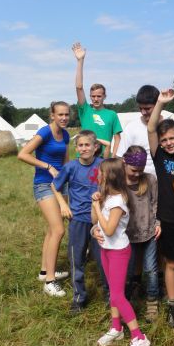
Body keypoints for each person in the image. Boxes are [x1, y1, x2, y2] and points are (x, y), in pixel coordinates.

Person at [92, 158, 150, 346]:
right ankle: (116, 328)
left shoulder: (118, 201)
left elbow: (108, 229)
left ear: (109, 175)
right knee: (113, 291)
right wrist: (96, 208)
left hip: (117, 252)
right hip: (106, 249)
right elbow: (97, 223)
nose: (97, 174)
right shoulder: (107, 197)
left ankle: (139, 337)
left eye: (100, 172)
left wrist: (98, 208)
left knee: (117, 295)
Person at [17, 101, 71, 297]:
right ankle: (50, 281)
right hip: (43, 185)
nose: (64, 118)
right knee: (58, 230)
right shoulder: (44, 132)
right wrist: (47, 166)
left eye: (66, 114)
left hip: (59, 184)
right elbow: (22, 154)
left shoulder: (65, 135)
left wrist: (68, 178)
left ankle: (44, 271)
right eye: (60, 115)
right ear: (52, 115)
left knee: (51, 229)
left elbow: (65, 161)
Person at [147, 88, 174, 328]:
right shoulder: (160, 157)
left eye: (172, 138)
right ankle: (173, 305)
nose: (168, 143)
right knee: (172, 263)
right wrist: (160, 104)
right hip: (169, 218)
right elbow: (152, 128)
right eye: (164, 140)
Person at [51, 129, 104, 313]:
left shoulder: (102, 165)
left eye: (87, 145)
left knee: (102, 258)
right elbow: (54, 185)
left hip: (99, 221)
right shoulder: (70, 167)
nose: (83, 148)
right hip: (78, 219)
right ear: (76, 148)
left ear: (95, 147)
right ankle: (79, 297)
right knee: (77, 258)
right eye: (80, 145)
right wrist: (62, 206)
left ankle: (110, 294)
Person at [122, 145, 161, 322]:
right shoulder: (119, 183)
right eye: (133, 170)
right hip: (126, 235)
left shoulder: (150, 180)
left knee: (151, 269)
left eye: (140, 170)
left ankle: (152, 302)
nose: (137, 174)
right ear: (124, 163)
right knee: (128, 271)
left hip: (148, 232)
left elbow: (155, 203)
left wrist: (157, 222)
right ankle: (126, 301)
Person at [73, 42, 122, 157]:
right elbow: (79, 87)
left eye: (99, 96)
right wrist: (80, 61)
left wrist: (113, 157)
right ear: (90, 96)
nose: (95, 99)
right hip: (84, 157)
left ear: (104, 96)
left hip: (103, 159)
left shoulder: (112, 114)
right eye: (93, 96)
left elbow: (117, 137)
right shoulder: (85, 110)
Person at [116, 85, 160, 175]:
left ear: (158, 106)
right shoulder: (131, 127)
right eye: (141, 108)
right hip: (138, 182)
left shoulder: (170, 127)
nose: (143, 112)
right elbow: (120, 157)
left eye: (147, 108)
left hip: (164, 183)